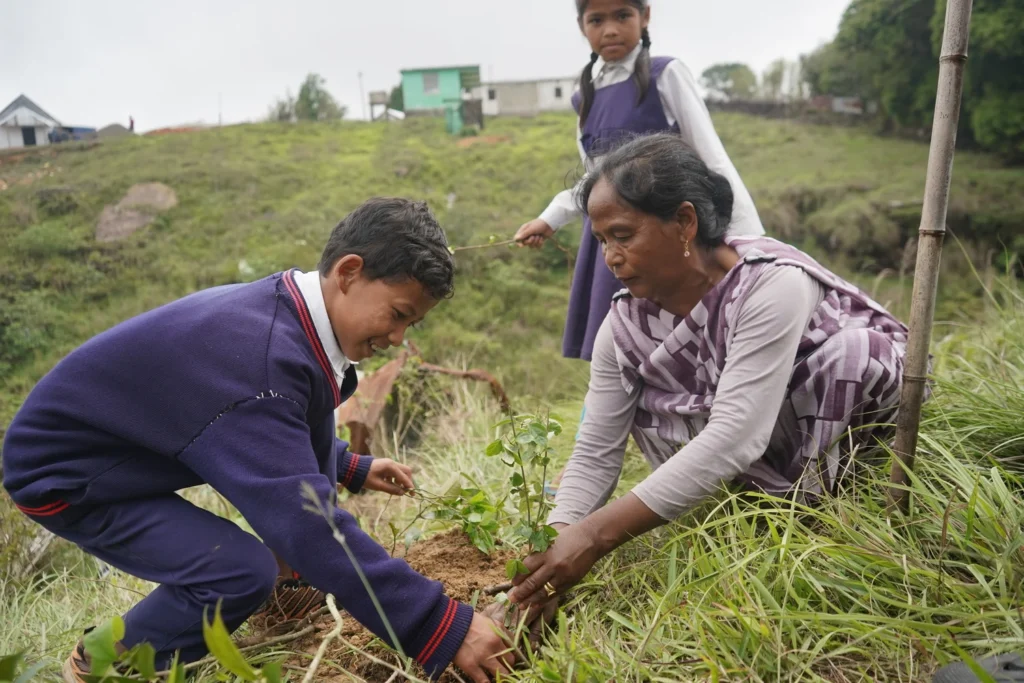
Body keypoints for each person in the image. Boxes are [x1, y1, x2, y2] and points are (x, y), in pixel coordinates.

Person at [2, 198, 513, 683]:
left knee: (278, 550)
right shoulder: (260, 359)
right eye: (398, 314)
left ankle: (276, 595)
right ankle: (102, 660)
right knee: (240, 572)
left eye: (412, 323)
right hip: (67, 473)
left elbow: (280, 420)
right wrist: (441, 626)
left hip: (123, 448)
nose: (399, 338)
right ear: (349, 272)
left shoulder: (295, 317)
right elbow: (307, 522)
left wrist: (345, 464)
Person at [507, 134, 919, 612]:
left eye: (623, 235)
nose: (610, 258)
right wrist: (556, 545)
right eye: (601, 241)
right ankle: (742, 514)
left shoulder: (771, 284)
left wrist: (595, 538)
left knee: (853, 354)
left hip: (829, 446)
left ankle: (823, 511)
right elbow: (596, 453)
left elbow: (736, 433)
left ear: (684, 222)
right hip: (731, 476)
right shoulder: (623, 329)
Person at [514, 0, 764, 362]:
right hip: (612, 240)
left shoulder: (667, 74)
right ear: (582, 27)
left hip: (663, 233)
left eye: (622, 16)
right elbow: (594, 180)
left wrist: (749, 239)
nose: (610, 29)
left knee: (682, 345)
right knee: (622, 351)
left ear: (645, 17)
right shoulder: (584, 98)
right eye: (596, 20)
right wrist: (550, 218)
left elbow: (712, 157)